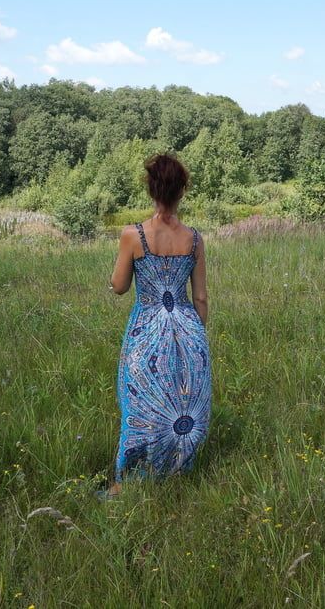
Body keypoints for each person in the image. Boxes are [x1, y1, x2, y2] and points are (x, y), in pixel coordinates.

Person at [103, 153, 211, 498]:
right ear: (182, 191)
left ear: (151, 189)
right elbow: (202, 298)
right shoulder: (194, 239)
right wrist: (197, 337)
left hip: (147, 329)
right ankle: (176, 473)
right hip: (187, 328)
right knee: (182, 405)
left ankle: (128, 482)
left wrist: (111, 280)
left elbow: (119, 287)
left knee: (141, 404)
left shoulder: (133, 236)